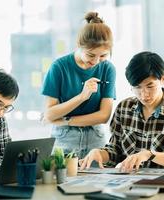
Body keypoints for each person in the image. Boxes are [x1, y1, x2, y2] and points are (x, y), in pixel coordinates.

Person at [80, 51, 164, 172]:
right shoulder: (124, 108)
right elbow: (115, 150)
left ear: (163, 79)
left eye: (150, 86)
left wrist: (149, 155)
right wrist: (99, 153)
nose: (144, 94)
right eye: (137, 87)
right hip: (128, 182)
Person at [41, 12, 116, 159]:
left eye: (103, 56)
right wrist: (82, 97)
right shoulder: (59, 67)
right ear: (78, 46)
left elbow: (104, 115)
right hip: (64, 139)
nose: (96, 61)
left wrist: (66, 120)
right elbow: (49, 114)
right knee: (61, 181)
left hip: (96, 139)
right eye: (90, 55)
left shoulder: (108, 69)